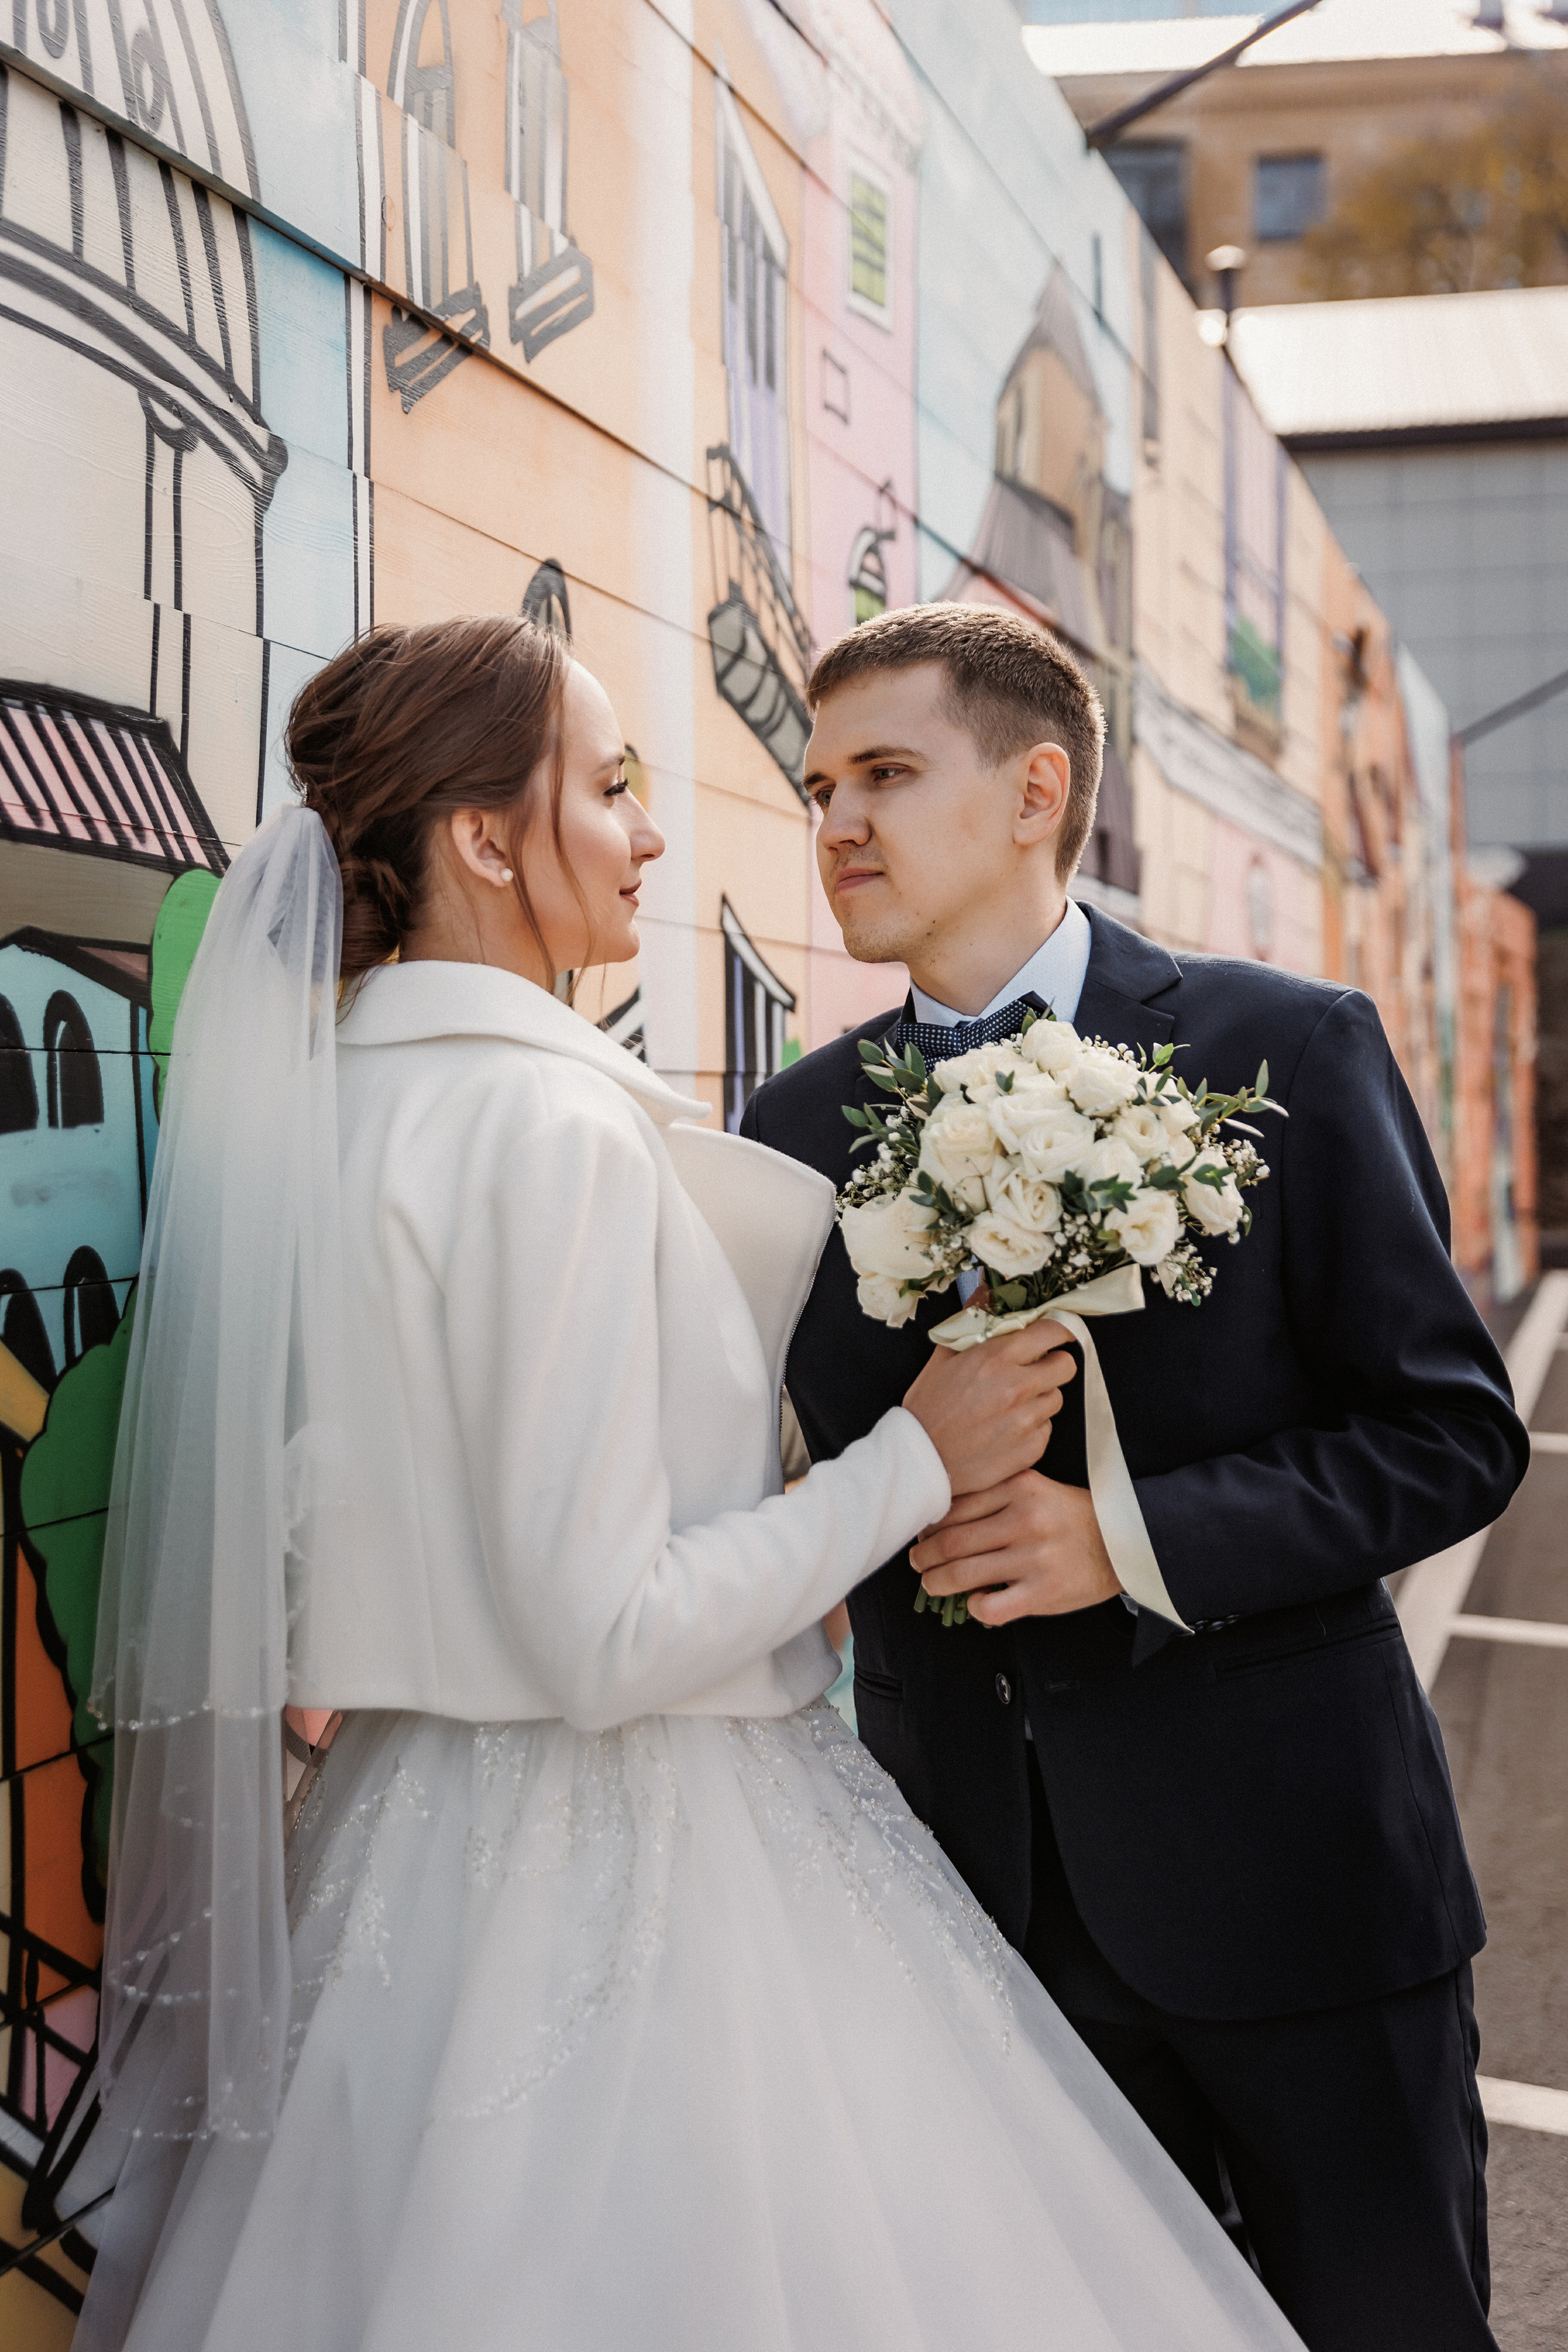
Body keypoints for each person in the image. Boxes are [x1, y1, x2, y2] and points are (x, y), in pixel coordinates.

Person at [70, 614, 1302, 2351]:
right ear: (486, 841)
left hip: (400, 1868)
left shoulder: (326, 1117)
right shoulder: (549, 1132)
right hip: (647, 1866)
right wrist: (913, 1459)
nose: (656, 836)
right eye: (612, 788)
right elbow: (607, 1630)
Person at [741, 601, 1528, 2352]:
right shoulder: (792, 1133)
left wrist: (1137, 1539)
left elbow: (1453, 1432)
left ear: (1037, 790)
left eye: (884, 772)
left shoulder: (1287, 1051)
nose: (837, 822)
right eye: (817, 786)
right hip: (979, 1907)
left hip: (1303, 1884)